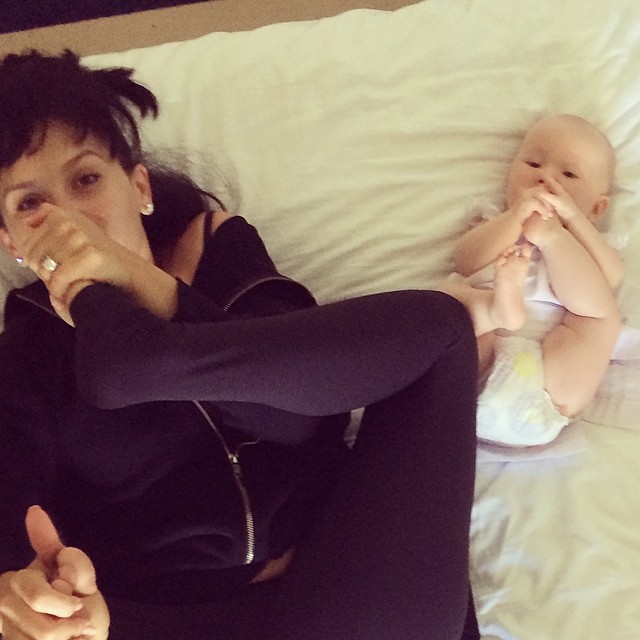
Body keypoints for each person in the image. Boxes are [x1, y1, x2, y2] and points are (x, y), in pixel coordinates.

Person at [0, 50, 481, 640]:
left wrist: (152, 295)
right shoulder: (23, 357)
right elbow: (14, 528)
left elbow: (299, 418)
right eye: (30, 204)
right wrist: (37, 596)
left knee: (440, 334)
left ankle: (152, 357)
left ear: (139, 187)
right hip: (163, 620)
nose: (69, 220)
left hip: (345, 577)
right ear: (13, 243)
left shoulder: (219, 251)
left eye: (85, 179)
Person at [442, 114, 623, 447]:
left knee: (600, 316)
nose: (545, 177)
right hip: (473, 370)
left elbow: (611, 277)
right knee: (446, 299)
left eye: (569, 174)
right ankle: (495, 310)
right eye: (534, 163)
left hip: (546, 395)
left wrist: (565, 226)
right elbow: (467, 260)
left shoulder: (590, 244)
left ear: (597, 208)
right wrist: (516, 217)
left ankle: (499, 307)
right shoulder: (494, 221)